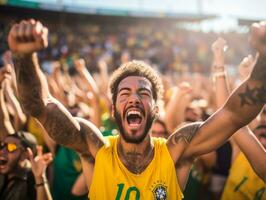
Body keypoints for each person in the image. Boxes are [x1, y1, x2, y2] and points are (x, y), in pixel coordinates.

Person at [7, 19, 266, 199]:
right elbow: (40, 106)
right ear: (113, 108)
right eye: (125, 93)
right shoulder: (95, 149)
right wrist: (23, 58)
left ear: (155, 108)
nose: (134, 99)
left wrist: (264, 59)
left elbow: (234, 115)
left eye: (144, 93)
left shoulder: (177, 151)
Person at [0, 131, 53, 200]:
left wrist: (40, 178)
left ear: (25, 154)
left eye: (11, 147)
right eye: (2, 145)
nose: (1, 151)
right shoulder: (4, 174)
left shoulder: (31, 181)